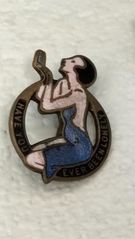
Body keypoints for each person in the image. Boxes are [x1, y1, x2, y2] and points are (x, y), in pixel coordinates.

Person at [25, 52, 95, 180]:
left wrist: (48, 76)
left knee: (31, 158)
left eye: (73, 61)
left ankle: (57, 168)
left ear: (77, 72)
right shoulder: (63, 83)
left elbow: (47, 105)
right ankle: (55, 163)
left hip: (80, 146)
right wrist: (45, 78)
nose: (65, 60)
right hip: (67, 138)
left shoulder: (78, 94)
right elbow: (42, 97)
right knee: (34, 149)